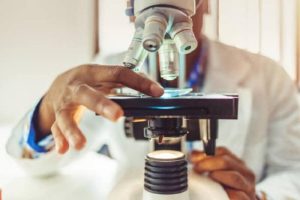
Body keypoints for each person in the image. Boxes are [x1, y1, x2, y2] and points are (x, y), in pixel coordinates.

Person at [6, 0, 300, 199]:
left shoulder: (267, 76)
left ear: (204, 2)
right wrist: (48, 111)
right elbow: (36, 166)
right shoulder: (104, 74)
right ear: (131, 8)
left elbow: (293, 170)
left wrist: (260, 196)